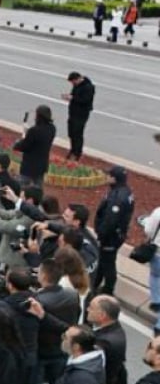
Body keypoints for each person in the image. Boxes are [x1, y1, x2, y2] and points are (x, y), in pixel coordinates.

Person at [93, 167, 133, 297]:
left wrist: (101, 235)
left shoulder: (117, 197)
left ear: (114, 178)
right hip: (116, 234)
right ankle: (95, 283)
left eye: (109, 175)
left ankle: (108, 289)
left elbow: (110, 220)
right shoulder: (125, 191)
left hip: (110, 237)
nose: (107, 177)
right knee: (103, 260)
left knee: (108, 263)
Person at [13, 104, 56, 187]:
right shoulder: (52, 128)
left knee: (22, 187)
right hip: (42, 164)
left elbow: (25, 146)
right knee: (38, 187)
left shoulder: (34, 130)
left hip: (29, 165)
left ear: (38, 116)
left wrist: (17, 144)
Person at [62, 73, 95, 161]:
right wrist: (70, 97)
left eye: (73, 82)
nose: (73, 84)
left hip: (81, 114)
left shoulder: (88, 87)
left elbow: (85, 100)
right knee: (71, 133)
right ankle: (72, 150)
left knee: (77, 133)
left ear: (78, 79)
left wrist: (72, 98)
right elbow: (74, 95)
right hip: (73, 112)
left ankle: (77, 153)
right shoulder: (77, 86)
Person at [141, 207, 160, 316]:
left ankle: (156, 300)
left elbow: (148, 230)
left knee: (155, 276)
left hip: (158, 253)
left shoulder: (158, 212)